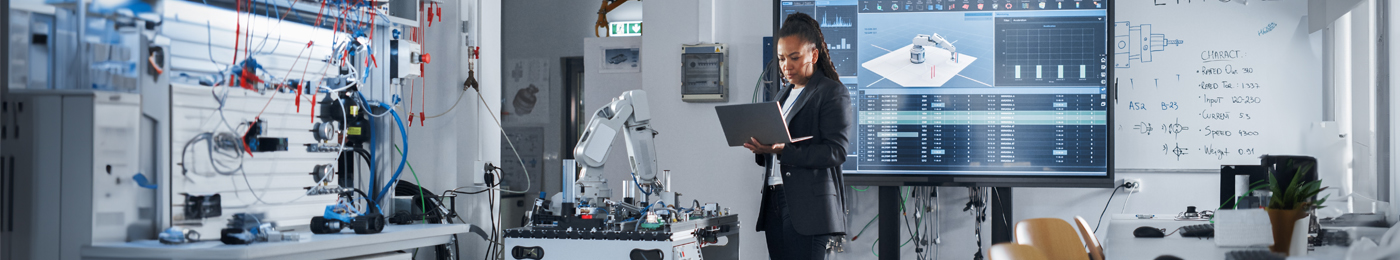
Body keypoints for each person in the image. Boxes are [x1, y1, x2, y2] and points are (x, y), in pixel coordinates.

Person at [743, 12, 852, 260]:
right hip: (774, 201)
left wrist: (783, 150)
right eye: (781, 58)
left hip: (808, 207)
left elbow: (836, 151)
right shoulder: (782, 94)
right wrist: (762, 149)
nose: (786, 66)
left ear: (813, 55)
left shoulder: (831, 92)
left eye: (794, 57)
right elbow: (776, 150)